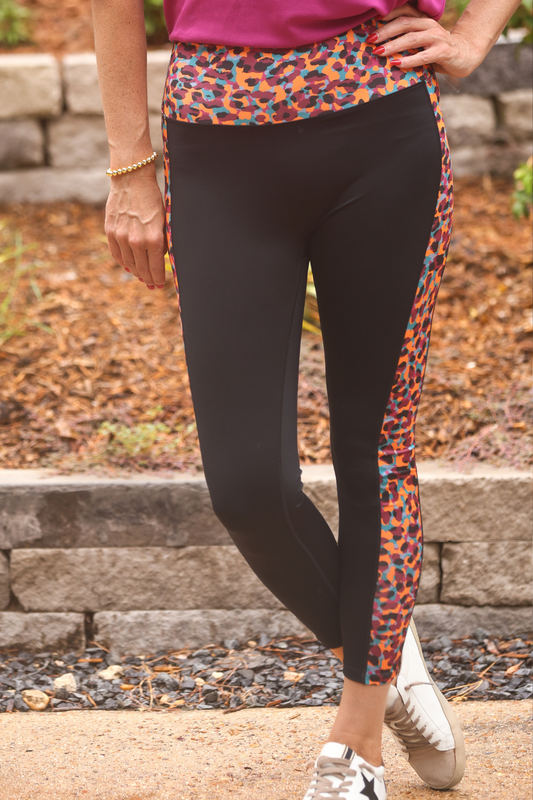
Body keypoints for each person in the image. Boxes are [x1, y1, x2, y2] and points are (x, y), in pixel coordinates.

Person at [92, 0, 523, 797]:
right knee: (246, 487)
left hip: (378, 124)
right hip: (215, 142)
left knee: (375, 450)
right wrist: (130, 168)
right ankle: (385, 661)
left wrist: (473, 35)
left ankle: (356, 745)